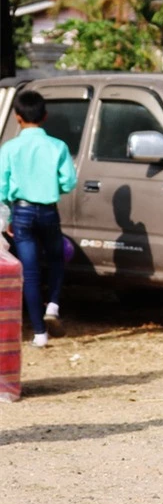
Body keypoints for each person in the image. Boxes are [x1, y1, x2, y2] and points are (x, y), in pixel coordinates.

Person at [0, 89, 77, 347]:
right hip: (48, 210)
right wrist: (52, 186)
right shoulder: (58, 146)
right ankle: (53, 305)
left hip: (20, 212)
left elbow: (1, 187)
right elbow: (69, 182)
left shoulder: (9, 148)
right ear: (45, 116)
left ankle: (39, 334)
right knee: (56, 258)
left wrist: (7, 214)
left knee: (30, 272)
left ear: (17, 117)